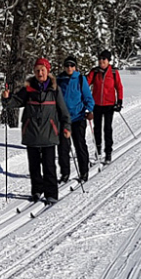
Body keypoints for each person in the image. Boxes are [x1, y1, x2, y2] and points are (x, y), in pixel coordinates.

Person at [2, 58, 71, 204]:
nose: (40, 73)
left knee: (49, 166)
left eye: (43, 70)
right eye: (37, 70)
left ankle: (51, 193)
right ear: (34, 72)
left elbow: (63, 111)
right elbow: (14, 103)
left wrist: (66, 127)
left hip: (49, 134)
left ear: (48, 71)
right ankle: (36, 191)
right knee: (34, 166)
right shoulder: (28, 89)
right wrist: (6, 99)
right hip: (31, 133)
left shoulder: (54, 89)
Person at [57, 55, 95, 183]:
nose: (69, 68)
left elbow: (88, 98)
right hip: (63, 119)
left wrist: (88, 110)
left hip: (78, 117)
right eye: (67, 65)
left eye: (72, 65)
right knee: (63, 148)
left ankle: (84, 172)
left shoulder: (80, 79)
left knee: (80, 145)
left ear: (75, 67)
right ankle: (65, 174)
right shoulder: (59, 80)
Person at [86, 49, 123, 164]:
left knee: (107, 128)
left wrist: (119, 101)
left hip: (109, 105)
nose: (101, 61)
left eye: (104, 59)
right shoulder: (95, 72)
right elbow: (86, 84)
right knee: (97, 128)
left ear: (108, 60)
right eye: (100, 59)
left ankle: (108, 153)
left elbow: (119, 87)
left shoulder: (113, 72)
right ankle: (98, 151)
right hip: (96, 104)